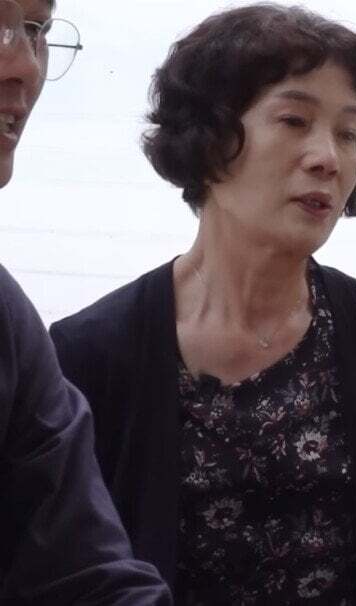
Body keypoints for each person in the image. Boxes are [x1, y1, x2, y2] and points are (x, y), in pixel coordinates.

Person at [48, 4, 356, 604]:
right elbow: (63, 570)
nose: (328, 157)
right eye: (295, 120)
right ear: (209, 138)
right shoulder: (90, 352)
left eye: (348, 134)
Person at [0, 1, 172, 603]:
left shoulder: (8, 322)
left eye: (37, 30)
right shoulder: (98, 339)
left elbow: (83, 576)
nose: (24, 64)